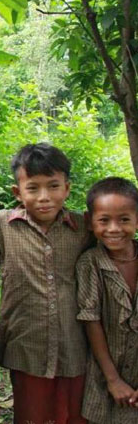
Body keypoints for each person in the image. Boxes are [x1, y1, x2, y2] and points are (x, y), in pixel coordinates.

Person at [0, 143, 88, 424]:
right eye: (33, 188)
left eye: (53, 186)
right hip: (25, 345)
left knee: (73, 415)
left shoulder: (82, 228)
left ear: (67, 188)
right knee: (30, 417)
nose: (44, 197)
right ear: (18, 192)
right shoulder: (4, 225)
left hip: (74, 345)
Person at [76, 177, 138, 423]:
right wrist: (113, 380)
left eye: (124, 219)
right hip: (105, 376)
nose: (114, 228)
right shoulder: (90, 263)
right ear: (89, 222)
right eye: (104, 220)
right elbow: (91, 321)